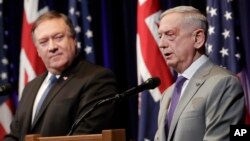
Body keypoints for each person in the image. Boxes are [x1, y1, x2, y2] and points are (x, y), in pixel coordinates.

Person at [4, 11, 120, 141]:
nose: (52, 47)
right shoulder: (31, 87)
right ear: (38, 51)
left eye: (58, 37)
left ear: (73, 39)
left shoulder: (97, 79)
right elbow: (15, 135)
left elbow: (84, 136)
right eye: (43, 42)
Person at [154, 6, 244, 141]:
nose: (161, 44)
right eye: (160, 36)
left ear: (198, 39)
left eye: (170, 35)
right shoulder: (168, 94)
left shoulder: (223, 83)